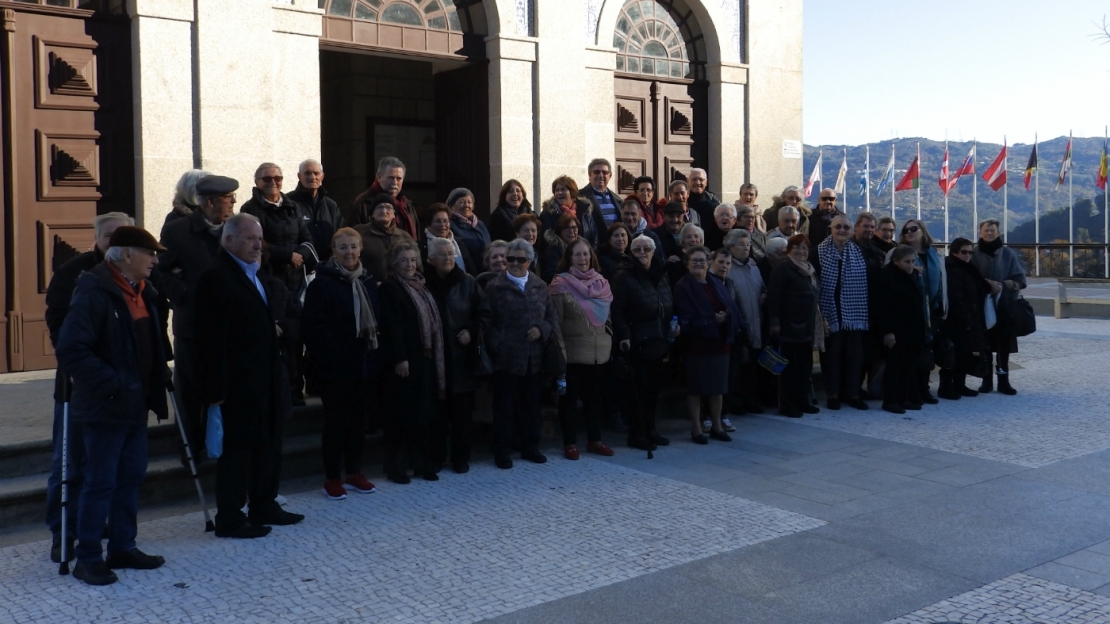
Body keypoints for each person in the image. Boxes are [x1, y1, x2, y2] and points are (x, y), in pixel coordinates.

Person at [55, 226, 171, 585]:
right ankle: (88, 556)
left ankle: (123, 545)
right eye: (148, 253)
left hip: (134, 404)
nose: (154, 259)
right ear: (124, 254)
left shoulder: (143, 291)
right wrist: (116, 383)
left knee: (130, 477)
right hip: (106, 405)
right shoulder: (95, 291)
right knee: (100, 481)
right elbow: (71, 350)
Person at [194, 213, 305, 539]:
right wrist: (215, 387)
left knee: (268, 446)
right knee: (238, 453)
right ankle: (230, 518)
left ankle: (264, 505)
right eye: (249, 238)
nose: (258, 244)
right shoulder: (216, 277)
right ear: (229, 240)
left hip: (266, 380)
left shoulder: (255, 274)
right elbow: (208, 338)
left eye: (260, 239)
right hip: (237, 386)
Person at [44, 212, 133, 564]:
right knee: (69, 462)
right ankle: (62, 532)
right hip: (78, 382)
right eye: (110, 235)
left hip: (122, 385)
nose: (116, 241)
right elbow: (58, 323)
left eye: (123, 235)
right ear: (97, 238)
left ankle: (101, 527)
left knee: (112, 464)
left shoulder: (136, 271)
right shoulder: (74, 273)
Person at [158, 174, 238, 456]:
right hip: (192, 324)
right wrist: (185, 294)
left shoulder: (235, 229)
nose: (233, 203)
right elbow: (161, 271)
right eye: (228, 199)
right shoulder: (178, 230)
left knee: (225, 385)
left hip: (229, 324)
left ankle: (221, 442)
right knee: (190, 389)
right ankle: (190, 446)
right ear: (209, 201)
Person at [300, 227, 381, 500]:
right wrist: (334, 355)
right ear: (333, 251)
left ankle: (355, 472)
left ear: (361, 249)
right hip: (334, 367)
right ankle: (333, 477)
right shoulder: (321, 283)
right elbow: (314, 327)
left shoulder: (368, 280)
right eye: (343, 247)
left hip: (363, 363)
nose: (349, 252)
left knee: (358, 422)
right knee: (336, 423)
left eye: (354, 246)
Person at [479, 239, 558, 469]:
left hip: (534, 358)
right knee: (504, 408)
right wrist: (499, 342)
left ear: (530, 261)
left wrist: (540, 330)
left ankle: (530, 447)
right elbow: (486, 321)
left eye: (520, 259)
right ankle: (502, 450)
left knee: (531, 406)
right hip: (506, 358)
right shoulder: (494, 286)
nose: (513, 263)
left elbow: (552, 318)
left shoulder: (540, 285)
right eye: (510, 258)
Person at [377, 241, 444, 483]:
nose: (409, 265)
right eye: (404, 260)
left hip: (424, 358)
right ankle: (395, 466)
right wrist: (400, 358)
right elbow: (392, 327)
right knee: (400, 415)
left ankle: (421, 463)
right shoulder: (390, 288)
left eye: (413, 260)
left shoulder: (421, 287)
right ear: (394, 263)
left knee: (423, 413)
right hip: (404, 361)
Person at [549, 239, 615, 459]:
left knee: (594, 400)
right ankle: (570, 443)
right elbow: (555, 321)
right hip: (572, 354)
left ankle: (595, 440)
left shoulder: (602, 283)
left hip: (600, 354)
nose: (582, 259)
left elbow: (608, 318)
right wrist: (560, 352)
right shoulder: (559, 284)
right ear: (569, 258)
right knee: (568, 403)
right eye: (577, 255)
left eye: (586, 254)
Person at [611, 234, 676, 450]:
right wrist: (624, 336)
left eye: (646, 249)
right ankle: (637, 433)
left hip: (659, 339)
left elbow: (667, 301)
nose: (642, 253)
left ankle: (651, 430)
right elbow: (618, 310)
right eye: (637, 249)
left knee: (653, 391)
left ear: (653, 251)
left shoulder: (661, 272)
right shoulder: (624, 276)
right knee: (637, 392)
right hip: (637, 341)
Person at [425, 237, 482, 474]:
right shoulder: (424, 283)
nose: (448, 258)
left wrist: (471, 330)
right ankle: (436, 457)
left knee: (462, 415)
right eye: (442, 254)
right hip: (434, 358)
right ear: (431, 259)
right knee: (436, 414)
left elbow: (484, 313)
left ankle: (461, 458)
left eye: (451, 253)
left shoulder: (468, 282)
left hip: (461, 357)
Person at [673, 246, 742, 443]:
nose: (699, 264)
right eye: (694, 260)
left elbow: (730, 304)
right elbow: (686, 315)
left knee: (718, 387)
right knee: (696, 388)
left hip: (720, 343)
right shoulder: (683, 286)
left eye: (702, 260)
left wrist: (726, 315)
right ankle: (696, 428)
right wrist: (712, 319)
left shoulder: (715, 282)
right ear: (687, 263)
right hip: (696, 344)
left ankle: (717, 426)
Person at [814, 215, 869, 411]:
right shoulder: (818, 252)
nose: (842, 230)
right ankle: (833, 395)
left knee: (855, 356)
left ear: (852, 230)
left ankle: (853, 394)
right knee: (831, 357)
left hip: (854, 314)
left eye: (846, 227)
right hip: (829, 313)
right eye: (838, 226)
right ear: (831, 228)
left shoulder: (858, 252)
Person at [239, 162, 318, 295]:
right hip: (269, 275)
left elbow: (307, 239)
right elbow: (255, 243)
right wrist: (287, 256)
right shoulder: (249, 209)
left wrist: (300, 256)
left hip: (297, 276)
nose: (273, 182)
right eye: (267, 179)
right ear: (256, 182)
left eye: (277, 178)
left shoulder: (293, 206)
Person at [767, 235, 823, 418]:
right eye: (797, 248)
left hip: (806, 327)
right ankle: (788, 405)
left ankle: (802, 401)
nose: (802, 251)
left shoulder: (809, 270)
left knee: (804, 368)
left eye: (805, 248)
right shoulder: (783, 268)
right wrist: (774, 322)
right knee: (789, 370)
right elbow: (774, 297)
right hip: (788, 327)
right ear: (789, 250)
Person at [894, 219, 947, 404]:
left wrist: (942, 303)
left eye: (913, 229)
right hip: (910, 312)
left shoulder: (934, 254)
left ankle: (924, 389)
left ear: (923, 231)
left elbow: (941, 280)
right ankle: (912, 391)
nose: (909, 232)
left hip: (931, 309)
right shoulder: (897, 253)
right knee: (912, 353)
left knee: (927, 351)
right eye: (906, 229)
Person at [972, 219, 1026, 395]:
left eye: (993, 230)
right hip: (981, 306)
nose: (989, 233)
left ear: (998, 232)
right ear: (980, 232)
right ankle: (986, 381)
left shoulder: (1007, 253)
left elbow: (1020, 280)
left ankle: (1004, 381)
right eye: (986, 230)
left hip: (1005, 307)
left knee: (1003, 346)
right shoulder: (973, 253)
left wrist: (1003, 285)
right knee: (985, 345)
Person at [876, 245, 929, 414]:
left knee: (908, 367)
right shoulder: (886, 277)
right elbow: (883, 307)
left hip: (912, 329)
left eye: (913, 261)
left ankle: (903, 398)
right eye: (907, 262)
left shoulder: (912, 275)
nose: (910, 265)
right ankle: (890, 400)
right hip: (896, 330)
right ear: (896, 261)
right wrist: (888, 332)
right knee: (895, 367)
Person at [940, 237, 990, 400]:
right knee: (952, 354)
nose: (968, 255)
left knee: (964, 354)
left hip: (970, 317)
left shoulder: (968, 268)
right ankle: (946, 387)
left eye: (970, 252)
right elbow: (955, 297)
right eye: (964, 252)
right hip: (957, 320)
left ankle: (959, 385)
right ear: (954, 251)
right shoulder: (952, 268)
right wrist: (966, 320)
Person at [723, 228, 766, 415]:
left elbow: (762, 288)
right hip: (739, 327)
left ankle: (752, 400)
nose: (746, 248)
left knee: (753, 368)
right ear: (730, 247)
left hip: (757, 322)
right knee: (739, 367)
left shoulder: (754, 266)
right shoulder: (727, 267)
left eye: (748, 244)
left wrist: (765, 296)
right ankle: (736, 402)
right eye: (741, 244)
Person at [710, 248, 751, 431]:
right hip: (714, 339)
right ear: (713, 262)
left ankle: (723, 414)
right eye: (721, 262)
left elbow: (739, 309)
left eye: (728, 263)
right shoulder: (708, 283)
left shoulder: (731, 283)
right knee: (714, 380)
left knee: (729, 379)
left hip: (732, 338)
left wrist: (745, 334)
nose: (725, 266)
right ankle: (709, 416)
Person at [853, 212, 889, 399]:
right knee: (856, 354)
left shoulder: (877, 252)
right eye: (865, 226)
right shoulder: (849, 248)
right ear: (856, 227)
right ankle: (853, 390)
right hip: (854, 310)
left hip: (874, 310)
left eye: (871, 227)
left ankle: (870, 389)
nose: (869, 230)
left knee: (871, 353)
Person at [345, 156, 420, 239]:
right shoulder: (362, 204)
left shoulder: (406, 205)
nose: (395, 182)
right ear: (379, 177)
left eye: (399, 179)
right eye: (391, 178)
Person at [287, 159, 342, 262]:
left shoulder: (331, 205)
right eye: (307, 173)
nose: (312, 177)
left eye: (316, 173)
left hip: (328, 266)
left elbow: (339, 234)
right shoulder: (288, 203)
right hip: (300, 267)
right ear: (299, 176)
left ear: (322, 176)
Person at [354, 194, 415, 283]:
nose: (384, 211)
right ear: (372, 214)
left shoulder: (405, 236)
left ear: (394, 214)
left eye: (388, 208)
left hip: (400, 288)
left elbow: (416, 265)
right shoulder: (359, 233)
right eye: (379, 207)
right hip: (369, 287)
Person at [539, 175, 604, 248]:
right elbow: (546, 239)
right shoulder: (548, 213)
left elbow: (594, 235)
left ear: (572, 192)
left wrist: (590, 253)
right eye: (557, 190)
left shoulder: (585, 209)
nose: (559, 193)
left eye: (563, 189)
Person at [420, 202, 476, 276]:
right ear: (429, 225)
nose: (442, 225)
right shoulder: (421, 247)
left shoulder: (459, 243)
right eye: (438, 221)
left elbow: (471, 270)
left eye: (446, 221)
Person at [446, 188, 491, 265]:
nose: (466, 205)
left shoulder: (480, 224)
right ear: (452, 205)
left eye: (469, 202)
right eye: (462, 202)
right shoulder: (450, 224)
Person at [578, 158, 622, 226]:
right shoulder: (579, 197)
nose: (601, 175)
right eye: (596, 172)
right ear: (590, 175)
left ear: (610, 176)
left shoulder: (618, 200)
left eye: (604, 172)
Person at [620, 197, 665, 265]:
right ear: (621, 214)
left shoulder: (651, 236)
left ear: (639, 214)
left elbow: (660, 262)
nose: (630, 218)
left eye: (633, 214)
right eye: (626, 214)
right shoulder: (618, 236)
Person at [541, 213, 580, 284]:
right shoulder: (553, 250)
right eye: (566, 228)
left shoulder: (584, 247)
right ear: (559, 231)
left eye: (574, 228)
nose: (571, 231)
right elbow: (549, 275)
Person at [667, 222, 704, 286]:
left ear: (700, 241)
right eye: (688, 237)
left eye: (696, 236)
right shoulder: (675, 262)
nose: (693, 240)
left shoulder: (707, 260)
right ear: (683, 241)